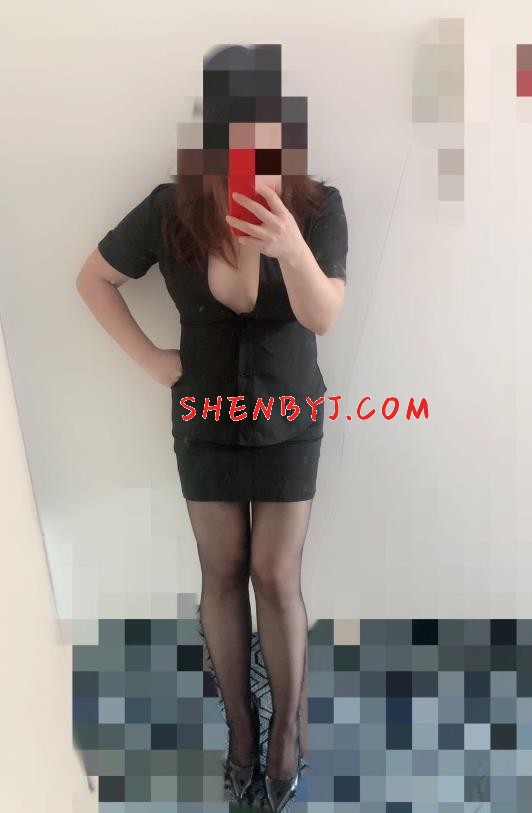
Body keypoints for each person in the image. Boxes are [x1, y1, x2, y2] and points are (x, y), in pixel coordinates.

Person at [76, 44, 348, 811]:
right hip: (203, 418)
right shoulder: (174, 206)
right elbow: (93, 278)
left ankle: (287, 734)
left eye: (267, 128)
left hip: (289, 417)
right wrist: (151, 360)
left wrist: (289, 245)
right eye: (235, 129)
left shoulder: (317, 205)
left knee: (275, 575)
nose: (252, 146)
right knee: (222, 572)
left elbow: (323, 314)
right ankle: (241, 732)